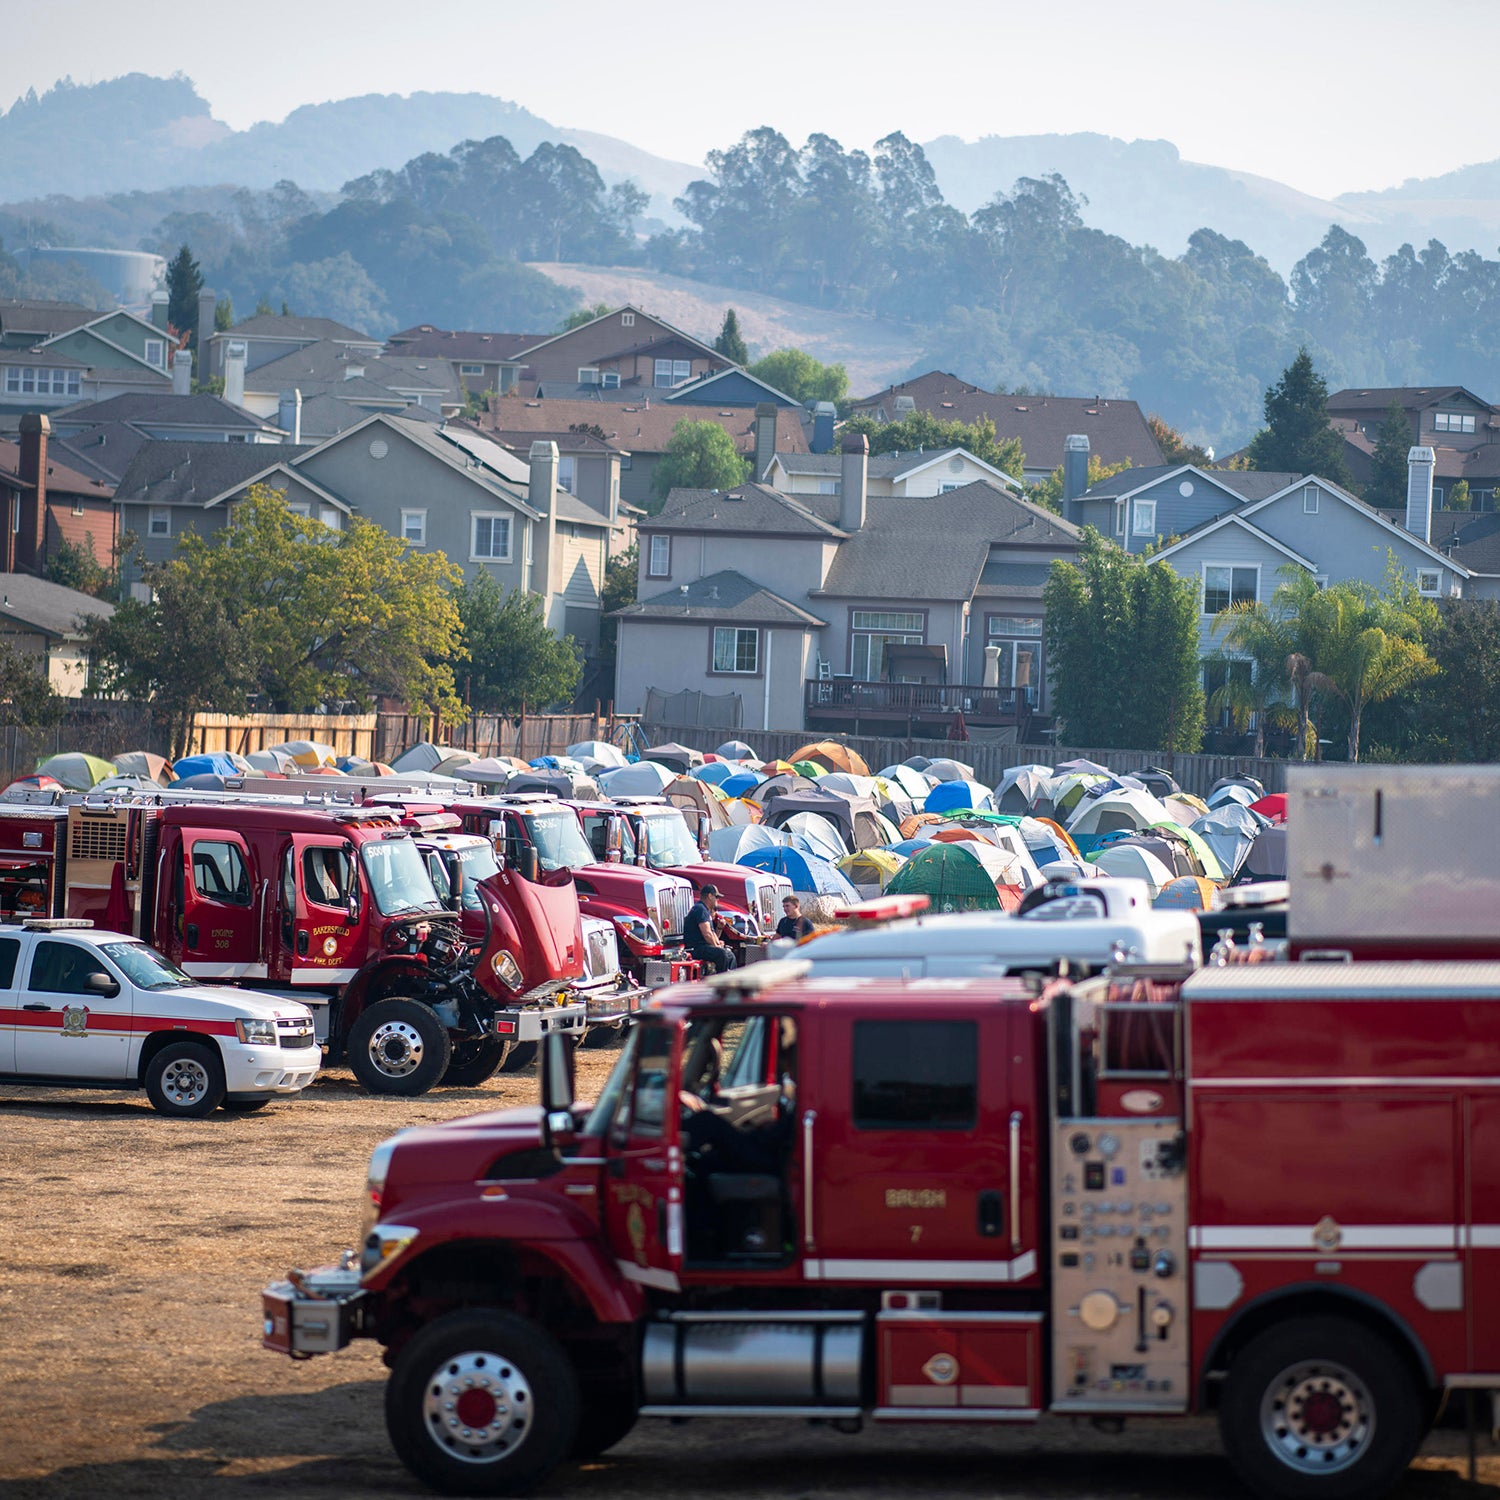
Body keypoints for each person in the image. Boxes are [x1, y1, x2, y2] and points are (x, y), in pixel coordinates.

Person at [684, 883, 735, 973]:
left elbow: (712, 933)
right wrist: (718, 947)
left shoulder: (705, 910)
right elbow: (707, 934)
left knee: (730, 954)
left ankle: (730, 978)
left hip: (703, 947)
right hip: (696, 948)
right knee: (722, 954)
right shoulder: (700, 909)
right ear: (710, 896)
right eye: (716, 897)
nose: (717, 900)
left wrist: (718, 943)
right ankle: (721, 981)